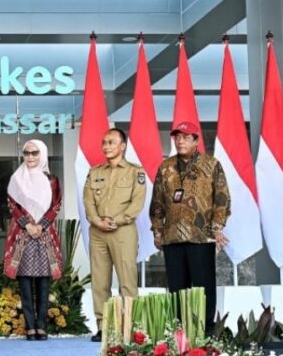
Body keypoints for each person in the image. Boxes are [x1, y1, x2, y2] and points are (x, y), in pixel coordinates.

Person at [150, 121, 230, 332]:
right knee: (177, 288)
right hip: (173, 236)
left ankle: (206, 330)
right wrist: (157, 230)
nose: (180, 141)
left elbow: (221, 198)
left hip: (201, 236)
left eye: (185, 137)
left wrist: (217, 227)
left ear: (196, 140)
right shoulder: (165, 167)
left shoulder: (211, 165)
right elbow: (157, 201)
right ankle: (179, 331)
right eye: (177, 137)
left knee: (204, 287)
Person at [83, 128, 146, 342]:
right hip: (98, 231)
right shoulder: (95, 172)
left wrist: (116, 221)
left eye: (111, 142)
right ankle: (104, 326)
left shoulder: (135, 172)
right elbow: (88, 201)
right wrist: (97, 221)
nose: (106, 146)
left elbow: (137, 203)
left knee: (127, 280)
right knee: (100, 280)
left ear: (123, 146)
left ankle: (130, 325)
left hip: (123, 231)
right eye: (104, 142)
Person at [3, 139, 62, 341]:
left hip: (44, 235)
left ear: (42, 154)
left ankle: (41, 326)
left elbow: (56, 205)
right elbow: (12, 204)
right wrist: (27, 225)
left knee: (44, 282)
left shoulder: (52, 180)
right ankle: (30, 326)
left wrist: (41, 225)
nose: (30, 157)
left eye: (34, 153)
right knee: (25, 281)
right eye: (27, 153)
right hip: (23, 234)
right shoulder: (16, 179)